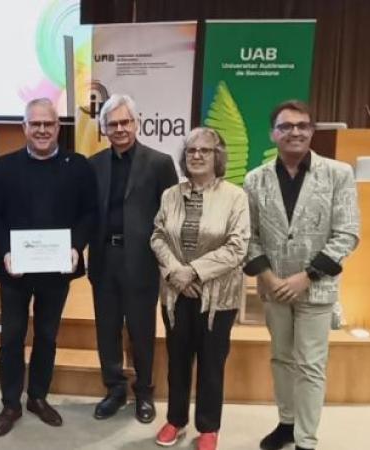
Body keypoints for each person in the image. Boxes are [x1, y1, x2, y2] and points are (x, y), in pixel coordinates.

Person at [243, 100, 360, 450]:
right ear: (273, 134)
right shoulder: (255, 179)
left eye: (302, 126)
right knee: (281, 359)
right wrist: (268, 277)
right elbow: (249, 235)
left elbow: (347, 234)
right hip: (274, 288)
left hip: (316, 288)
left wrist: (306, 277)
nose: (294, 132)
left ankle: (305, 440)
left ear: (311, 131)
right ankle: (286, 423)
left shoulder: (338, 173)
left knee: (310, 365)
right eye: (286, 126)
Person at [0, 98, 97, 436]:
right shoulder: (6, 166)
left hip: (56, 270)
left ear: (58, 127)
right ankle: (10, 403)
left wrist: (76, 246)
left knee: (47, 335)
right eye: (35, 124)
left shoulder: (78, 166)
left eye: (48, 124)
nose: (42, 130)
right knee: (11, 337)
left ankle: (37, 397)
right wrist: (5, 251)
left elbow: (89, 212)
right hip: (15, 270)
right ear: (25, 128)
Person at [150, 128, 250, 450]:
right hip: (176, 294)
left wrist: (193, 272)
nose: (196, 155)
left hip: (217, 298)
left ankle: (208, 427)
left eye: (204, 150)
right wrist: (176, 273)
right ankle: (175, 420)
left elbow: (237, 247)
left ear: (217, 156)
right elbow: (158, 236)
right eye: (191, 150)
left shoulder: (235, 196)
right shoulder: (170, 195)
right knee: (177, 361)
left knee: (211, 364)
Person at [88, 94, 178, 423]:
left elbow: (171, 216)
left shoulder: (160, 163)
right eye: (112, 124)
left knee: (141, 330)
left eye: (125, 122)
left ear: (136, 123)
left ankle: (144, 392)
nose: (120, 129)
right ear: (104, 128)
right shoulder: (93, 165)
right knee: (107, 330)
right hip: (104, 259)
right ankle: (114, 389)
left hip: (142, 260)